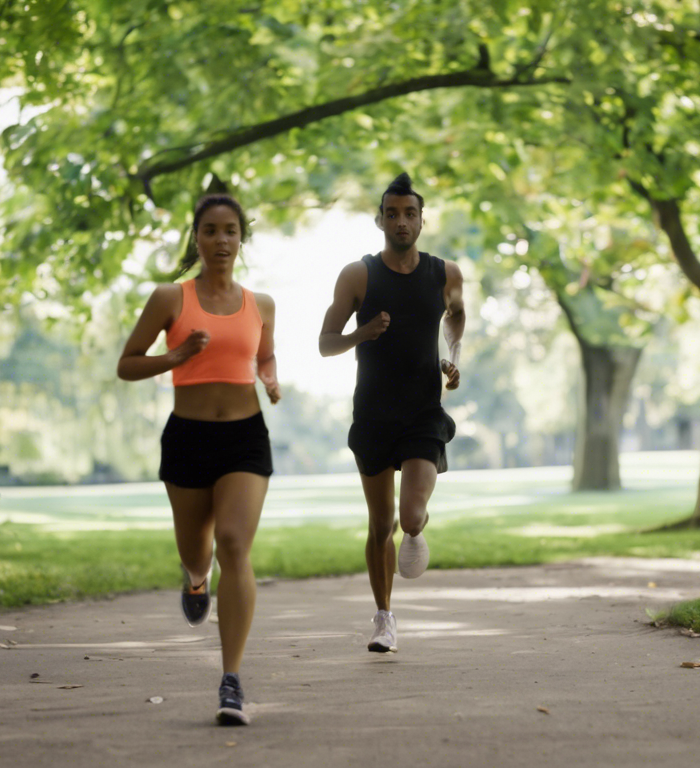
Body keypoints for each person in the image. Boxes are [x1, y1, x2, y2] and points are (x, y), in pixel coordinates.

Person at [117, 193, 280, 726]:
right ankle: (193, 579)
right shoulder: (170, 297)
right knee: (196, 551)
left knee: (234, 543)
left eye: (230, 230)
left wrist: (271, 378)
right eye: (210, 231)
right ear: (196, 237)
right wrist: (178, 356)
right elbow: (127, 364)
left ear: (242, 238)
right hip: (187, 439)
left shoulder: (262, 304)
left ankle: (230, 679)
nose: (221, 241)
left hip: (245, 439)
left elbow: (264, 354)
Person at [318, 172, 465, 654]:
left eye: (410, 213)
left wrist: (453, 358)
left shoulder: (445, 273)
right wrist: (364, 333)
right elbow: (325, 344)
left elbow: (456, 316)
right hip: (375, 416)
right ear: (379, 219)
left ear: (422, 220)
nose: (401, 221)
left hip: (424, 411)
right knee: (380, 525)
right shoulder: (358, 275)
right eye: (392, 213)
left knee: (409, 516)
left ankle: (418, 531)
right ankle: (384, 619)